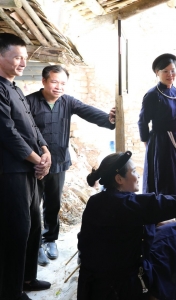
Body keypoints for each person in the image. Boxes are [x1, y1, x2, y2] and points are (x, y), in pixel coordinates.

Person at [77, 151, 176, 300]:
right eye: (133, 172)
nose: (138, 175)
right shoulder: (131, 205)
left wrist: (152, 222)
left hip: (90, 288)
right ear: (119, 179)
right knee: (172, 232)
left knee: (162, 226)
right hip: (121, 290)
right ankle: (162, 293)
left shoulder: (95, 202)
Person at [26, 65, 116, 267]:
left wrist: (109, 119)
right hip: (36, 164)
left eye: (63, 83)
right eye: (54, 82)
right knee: (33, 206)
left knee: (53, 203)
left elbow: (88, 112)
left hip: (58, 162)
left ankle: (50, 240)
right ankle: (35, 245)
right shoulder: (29, 102)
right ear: (44, 81)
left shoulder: (68, 102)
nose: (59, 87)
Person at [0, 33, 52, 300]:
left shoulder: (16, 88)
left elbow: (32, 126)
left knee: (33, 224)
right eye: (17, 57)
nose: (23, 62)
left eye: (25, 57)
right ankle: (10, 290)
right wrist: (37, 159)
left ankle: (27, 278)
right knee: (16, 229)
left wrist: (45, 151)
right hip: (11, 172)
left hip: (30, 169)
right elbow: (7, 132)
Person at [138, 53, 176, 197]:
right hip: (161, 142)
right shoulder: (152, 95)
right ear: (157, 72)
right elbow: (143, 121)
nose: (170, 74)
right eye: (165, 71)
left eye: (173, 70)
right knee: (165, 179)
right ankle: (162, 215)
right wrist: (147, 142)